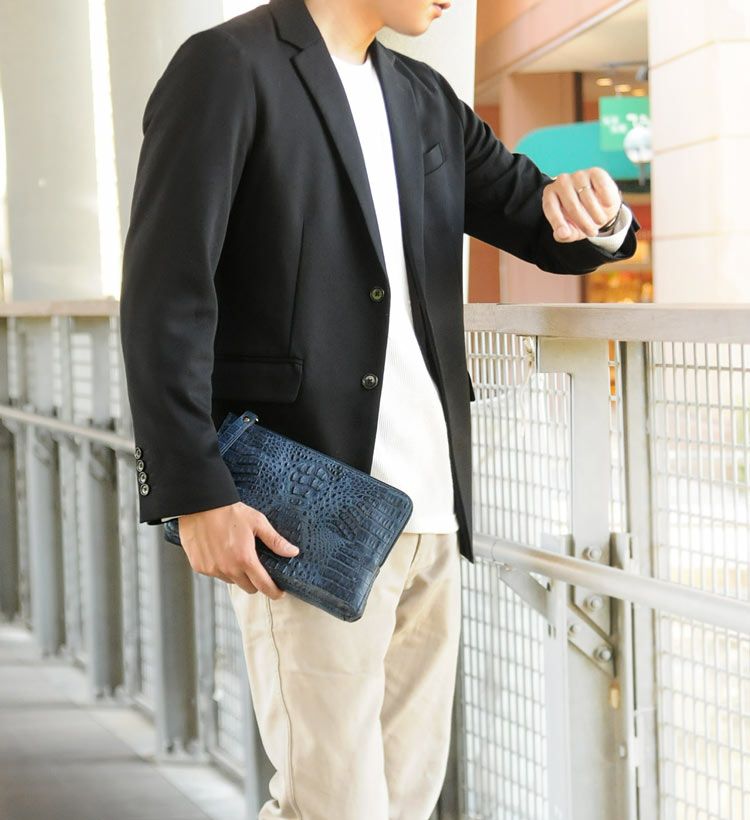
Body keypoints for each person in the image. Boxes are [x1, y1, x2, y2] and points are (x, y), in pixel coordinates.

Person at [119, 0, 640, 816]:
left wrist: (597, 211)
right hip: (307, 510)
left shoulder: (422, 96)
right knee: (332, 803)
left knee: (405, 799)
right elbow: (165, 297)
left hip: (431, 508)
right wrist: (195, 492)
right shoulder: (228, 67)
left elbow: (536, 217)